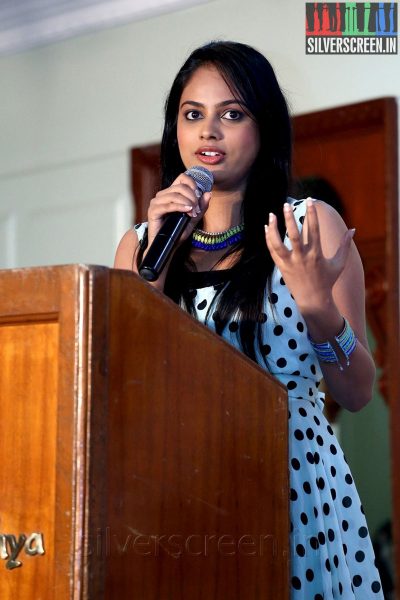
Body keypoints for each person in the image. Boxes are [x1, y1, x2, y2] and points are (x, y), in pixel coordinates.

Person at [114, 40, 383, 598]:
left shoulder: (308, 226)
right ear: (176, 130)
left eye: (231, 114)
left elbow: (357, 392)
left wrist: (317, 308)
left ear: (263, 131)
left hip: (296, 490)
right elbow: (125, 395)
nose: (208, 132)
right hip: (183, 491)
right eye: (193, 115)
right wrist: (153, 278)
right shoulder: (140, 248)